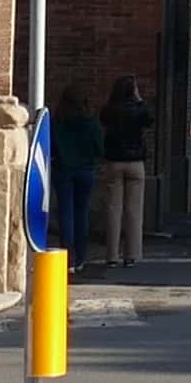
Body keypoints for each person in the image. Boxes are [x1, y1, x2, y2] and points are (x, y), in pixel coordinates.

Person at [40, 79, 104, 273]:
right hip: (86, 170)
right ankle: (81, 258)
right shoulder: (91, 122)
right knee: (82, 213)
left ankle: (68, 259)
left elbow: (49, 146)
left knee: (66, 213)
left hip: (63, 169)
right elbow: (99, 148)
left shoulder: (57, 121)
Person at [94, 77, 154, 267]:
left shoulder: (109, 110)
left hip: (113, 161)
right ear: (133, 91)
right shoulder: (139, 110)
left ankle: (111, 255)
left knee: (113, 209)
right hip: (135, 162)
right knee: (134, 210)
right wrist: (139, 99)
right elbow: (149, 119)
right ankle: (132, 255)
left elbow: (102, 122)